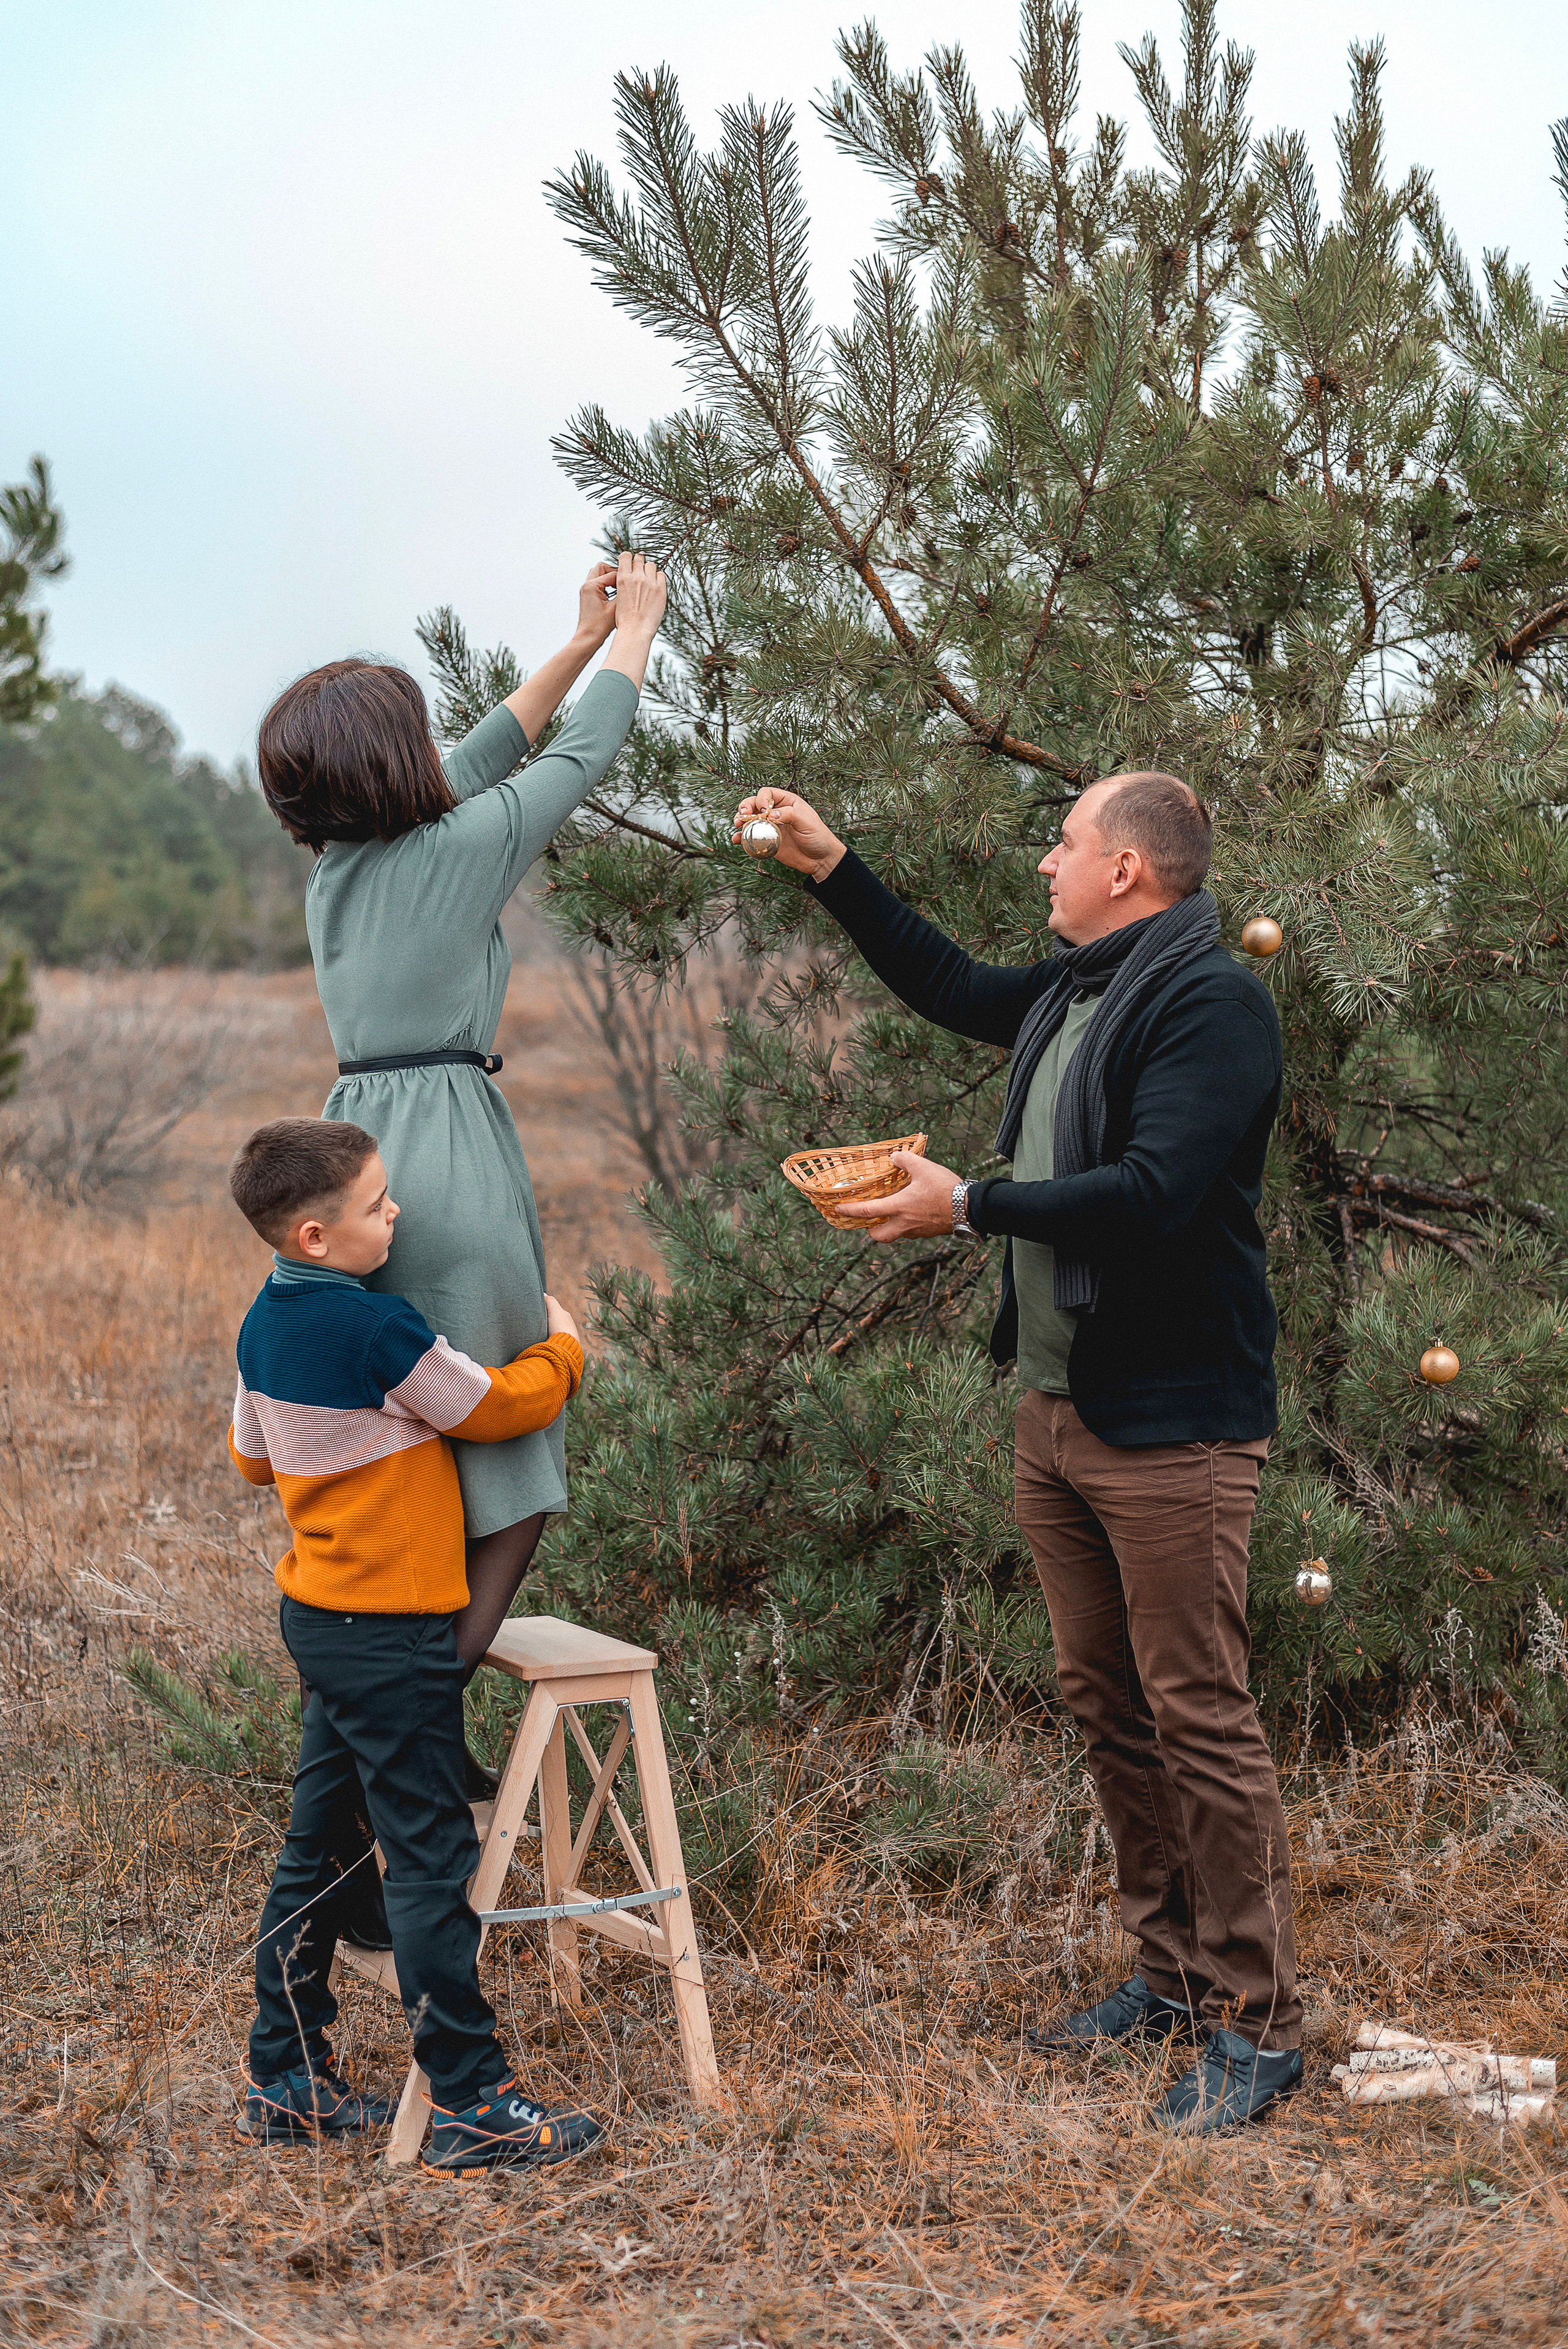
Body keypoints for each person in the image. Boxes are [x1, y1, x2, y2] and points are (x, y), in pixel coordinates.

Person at [732, 774, 1303, 2133]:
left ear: (1125, 869)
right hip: (1057, 1413)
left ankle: (1259, 2021)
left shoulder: (1211, 1003)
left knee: (1197, 1713)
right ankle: (1169, 1976)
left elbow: (1153, 1195)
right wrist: (831, 864)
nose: (1046, 861)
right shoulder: (1075, 989)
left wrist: (969, 1205)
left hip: (1173, 1423)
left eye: (1064, 842)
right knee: (1108, 1703)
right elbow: (948, 984)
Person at [256, 551, 665, 1933]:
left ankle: (367, 1774)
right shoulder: (446, 856)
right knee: (508, 1444)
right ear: (392, 767)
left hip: (365, 1132)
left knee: (407, 1455)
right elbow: (578, 757)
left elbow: (489, 748)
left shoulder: (345, 872)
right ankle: (411, 1740)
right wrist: (638, 634)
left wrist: (575, 640)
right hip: (443, 1151)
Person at [227, 1116, 605, 2173]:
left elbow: (252, 1457)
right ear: (315, 1235)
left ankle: (284, 2075)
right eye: (377, 1203)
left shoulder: (263, 1322)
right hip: (390, 1633)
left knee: (316, 1847)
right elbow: (486, 1407)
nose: (396, 1212)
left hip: (321, 1620)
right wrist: (564, 1349)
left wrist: (340, 1440)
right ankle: (471, 2102)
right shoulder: (377, 1329)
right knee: (432, 1860)